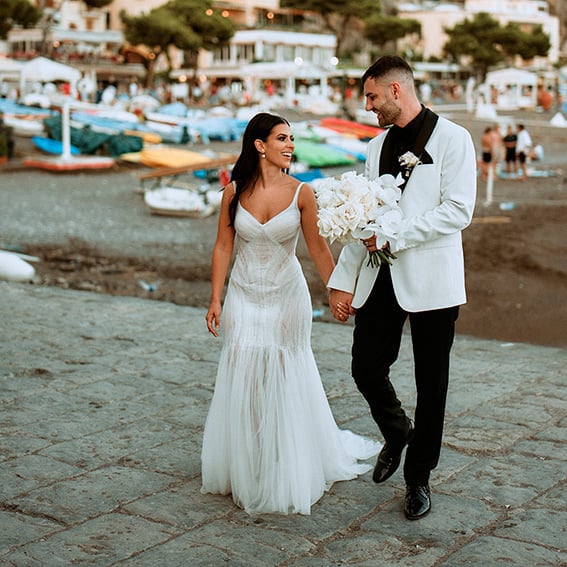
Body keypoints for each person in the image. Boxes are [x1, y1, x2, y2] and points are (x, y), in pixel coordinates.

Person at [202, 112, 380, 515]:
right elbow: (222, 248)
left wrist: (338, 290)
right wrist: (216, 298)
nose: (290, 146)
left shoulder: (302, 193)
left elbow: (317, 249)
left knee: (283, 371)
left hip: (286, 295)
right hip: (244, 294)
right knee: (243, 374)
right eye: (282, 138)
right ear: (259, 145)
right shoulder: (233, 194)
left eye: (292, 139)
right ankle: (248, 465)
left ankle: (286, 464)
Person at [327, 56, 477, 520]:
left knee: (433, 386)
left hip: (433, 280)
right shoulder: (375, 148)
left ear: (396, 91)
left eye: (372, 97)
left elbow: (458, 209)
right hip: (380, 276)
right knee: (365, 367)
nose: (368, 106)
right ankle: (396, 431)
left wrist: (397, 234)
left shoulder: (455, 138)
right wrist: (341, 282)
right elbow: (362, 217)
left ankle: (418, 480)